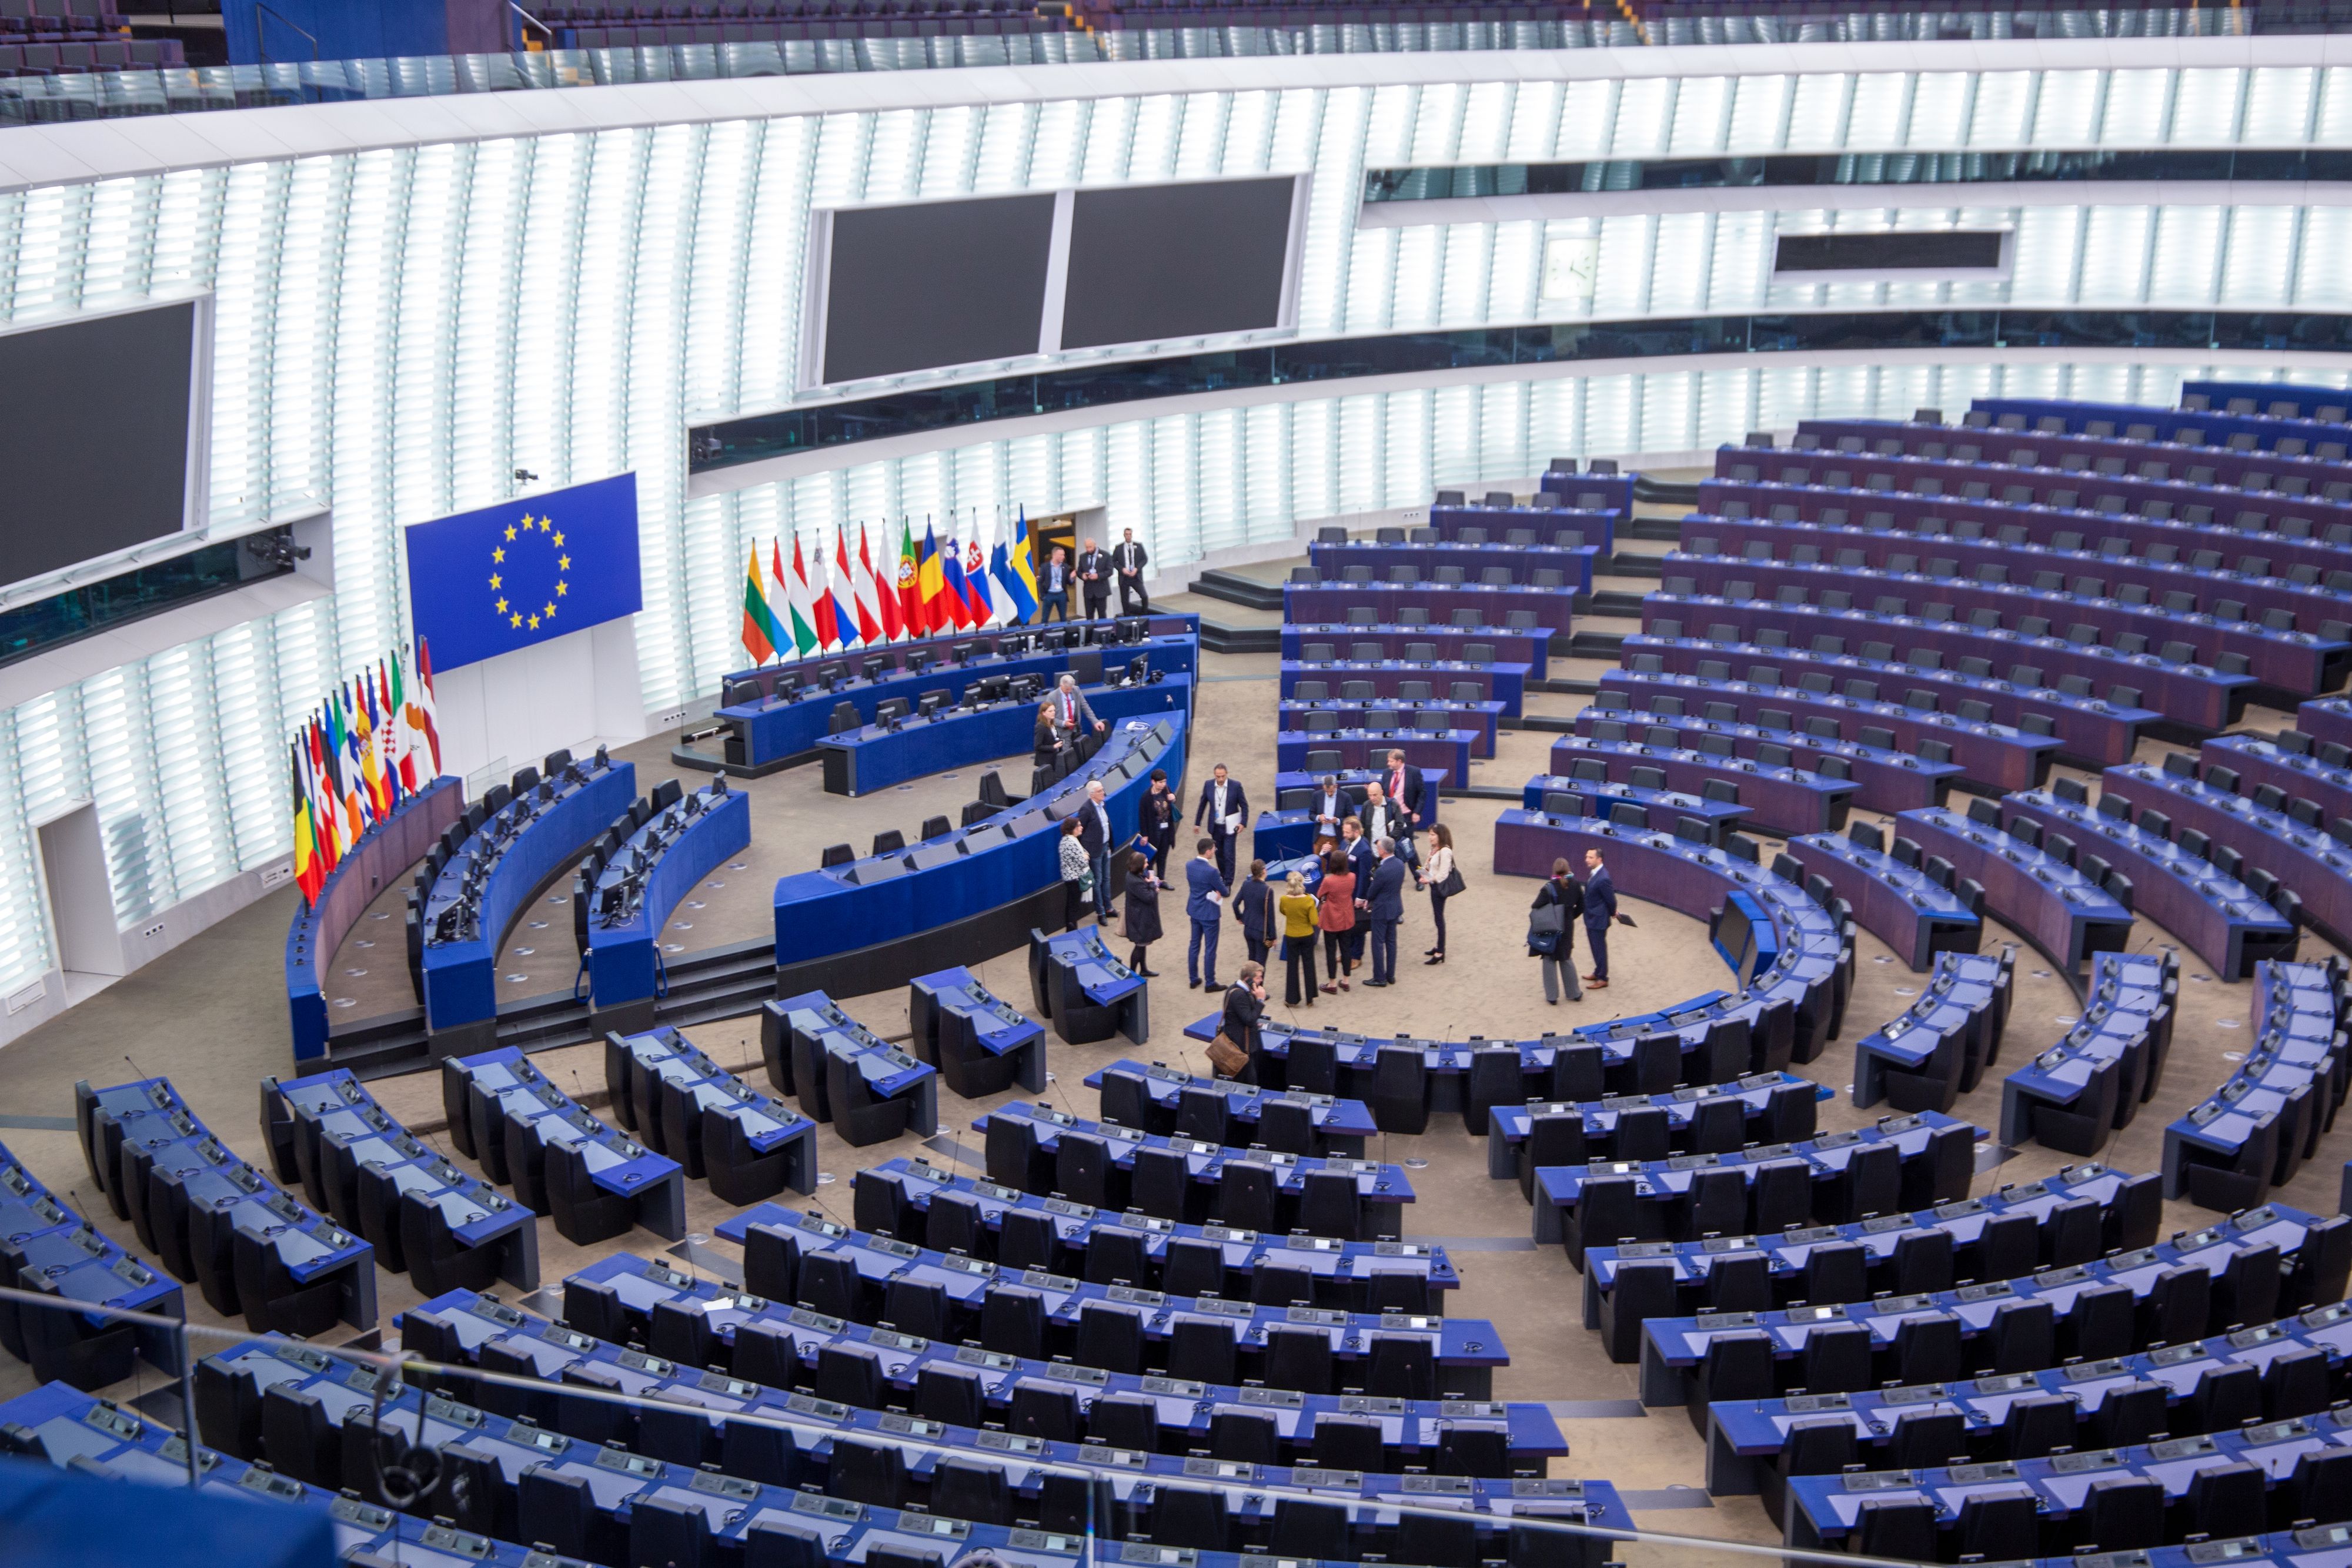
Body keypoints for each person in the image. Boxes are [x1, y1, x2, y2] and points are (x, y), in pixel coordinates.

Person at [1530, 857, 1582, 1004]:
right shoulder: (1576, 884)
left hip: (1551, 928)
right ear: (1569, 868)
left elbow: (1535, 906)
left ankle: (1552, 997)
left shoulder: (1548, 888)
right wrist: (1570, 917)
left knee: (1549, 959)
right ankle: (1574, 993)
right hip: (1567, 928)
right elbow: (1582, 906)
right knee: (1566, 957)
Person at [1184, 837, 1228, 991]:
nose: (1215, 851)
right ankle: (1210, 983)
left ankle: (1193, 978)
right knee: (1210, 949)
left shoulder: (1189, 865)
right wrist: (1217, 890)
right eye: (1214, 849)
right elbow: (1225, 891)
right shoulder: (1212, 872)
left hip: (1194, 910)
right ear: (1208, 851)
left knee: (1194, 945)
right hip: (1209, 914)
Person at [1362, 837, 1406, 987]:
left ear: (1382, 850)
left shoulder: (1382, 871)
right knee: (1391, 942)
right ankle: (1391, 975)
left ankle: (1379, 977)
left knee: (1378, 943)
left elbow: (1372, 893)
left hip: (1381, 910)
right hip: (1395, 908)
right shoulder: (1400, 864)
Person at [1194, 763, 1247, 884]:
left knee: (1229, 855)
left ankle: (1228, 882)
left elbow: (1244, 805)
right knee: (1219, 854)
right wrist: (1197, 823)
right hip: (1216, 827)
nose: (1221, 779)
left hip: (1230, 827)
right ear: (1215, 775)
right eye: (1218, 776)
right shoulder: (1208, 785)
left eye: (1223, 776)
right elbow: (1203, 804)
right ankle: (1223, 877)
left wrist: (1243, 823)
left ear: (1227, 774)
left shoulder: (1236, 786)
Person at [1218, 961, 1268, 1084]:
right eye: (1258, 978)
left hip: (1240, 1041)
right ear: (1248, 979)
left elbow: (1241, 1016)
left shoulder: (1236, 988)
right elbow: (1249, 1020)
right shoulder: (1239, 995)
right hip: (1240, 1047)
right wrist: (1260, 1001)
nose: (1261, 981)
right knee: (1248, 1083)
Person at [1317, 848, 1357, 993]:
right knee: (1346, 949)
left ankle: (1332, 983)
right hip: (1347, 917)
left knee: (1331, 951)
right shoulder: (1352, 877)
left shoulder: (1329, 881)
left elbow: (1320, 894)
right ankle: (1346, 981)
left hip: (1331, 919)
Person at [1277, 870, 1320, 1007]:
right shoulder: (1308, 900)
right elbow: (1314, 921)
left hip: (1291, 935)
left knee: (1292, 967)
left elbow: (1283, 911)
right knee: (1309, 965)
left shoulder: (1284, 899)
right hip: (1307, 935)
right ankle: (1310, 998)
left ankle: (1292, 999)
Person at [1416, 823, 1457, 964]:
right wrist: (1423, 873)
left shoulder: (1446, 851)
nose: (1430, 837)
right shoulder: (1434, 849)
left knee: (1439, 920)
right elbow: (1428, 866)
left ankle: (1440, 952)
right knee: (1437, 918)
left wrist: (1429, 880)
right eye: (1430, 834)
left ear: (1441, 836)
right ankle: (1439, 947)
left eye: (1433, 835)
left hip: (1439, 888)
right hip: (1433, 886)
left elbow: (1443, 875)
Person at [1077, 778, 1117, 921]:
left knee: (1107, 879)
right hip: (1094, 851)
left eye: (1102, 790)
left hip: (1106, 847)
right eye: (1100, 791)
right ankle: (1101, 912)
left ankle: (1109, 908)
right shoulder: (1086, 809)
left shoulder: (1102, 805)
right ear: (1092, 794)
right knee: (1098, 881)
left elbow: (1106, 826)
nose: (1103, 793)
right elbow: (1080, 831)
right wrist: (1084, 851)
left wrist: (1110, 845)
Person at [1120, 848, 1163, 977]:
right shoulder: (1135, 881)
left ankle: (1143, 969)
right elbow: (1148, 898)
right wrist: (1153, 886)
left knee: (1143, 944)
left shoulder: (1134, 875)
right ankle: (1132, 974)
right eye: (1145, 863)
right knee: (1140, 945)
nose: (1147, 865)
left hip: (1140, 916)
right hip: (1140, 919)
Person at [1381, 748, 1426, 867]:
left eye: (1391, 761)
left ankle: (1420, 876)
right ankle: (1394, 872)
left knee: (1408, 847)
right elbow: (1384, 791)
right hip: (1389, 815)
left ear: (1399, 761)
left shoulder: (1414, 772)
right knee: (1388, 845)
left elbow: (1422, 793)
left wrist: (1417, 812)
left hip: (1406, 816)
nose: (1388, 764)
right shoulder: (1387, 773)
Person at [1582, 847, 1618, 990]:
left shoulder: (1603, 878)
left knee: (1599, 949)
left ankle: (1603, 978)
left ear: (1599, 859)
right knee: (1595, 948)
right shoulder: (1595, 873)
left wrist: (1612, 912)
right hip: (1591, 917)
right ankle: (1598, 972)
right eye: (1587, 857)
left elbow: (1611, 900)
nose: (1587, 860)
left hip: (1598, 920)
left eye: (1590, 857)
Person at [1234, 859, 1274, 967]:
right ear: (1264, 871)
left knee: (1251, 961)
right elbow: (1270, 916)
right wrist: (1273, 936)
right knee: (1260, 966)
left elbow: (1235, 904)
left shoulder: (1246, 884)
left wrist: (1240, 917)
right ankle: (1258, 984)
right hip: (1261, 932)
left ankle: (1250, 983)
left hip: (1248, 929)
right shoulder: (1268, 890)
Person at [1139, 768, 1178, 875]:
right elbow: (1143, 817)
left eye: (1165, 782)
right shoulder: (1146, 797)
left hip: (1166, 830)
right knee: (1151, 857)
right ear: (1153, 782)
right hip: (1154, 831)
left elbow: (1171, 804)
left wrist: (1173, 798)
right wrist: (1145, 835)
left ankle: (1161, 880)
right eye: (1161, 782)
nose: (1163, 785)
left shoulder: (1167, 790)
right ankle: (1151, 881)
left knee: (1163, 856)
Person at [1057, 817, 1091, 933]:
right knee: (1073, 908)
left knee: (1072, 906)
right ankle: (1072, 931)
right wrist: (1085, 857)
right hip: (1074, 880)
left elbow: (1085, 853)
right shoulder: (1069, 843)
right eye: (1079, 826)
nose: (1082, 828)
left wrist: (1085, 855)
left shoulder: (1070, 841)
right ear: (1072, 829)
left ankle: (1071, 930)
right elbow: (1083, 861)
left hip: (1072, 879)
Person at [1051, 673, 1104, 744]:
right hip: (1062, 732)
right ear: (1061, 686)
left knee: (1079, 752)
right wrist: (1064, 723)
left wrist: (1095, 721)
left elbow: (1085, 706)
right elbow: (1049, 719)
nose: (1069, 691)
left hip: (1076, 729)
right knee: (1066, 754)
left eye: (1071, 689)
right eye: (1067, 689)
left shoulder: (1076, 690)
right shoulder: (1052, 697)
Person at [1112, 527, 1150, 613]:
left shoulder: (1139, 546)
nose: (1128, 536)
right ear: (1124, 535)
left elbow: (1145, 559)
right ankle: (1127, 617)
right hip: (1124, 578)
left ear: (1132, 535)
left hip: (1136, 577)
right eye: (1127, 534)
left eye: (1130, 534)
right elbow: (1113, 561)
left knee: (1144, 596)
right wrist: (1122, 569)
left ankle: (1144, 614)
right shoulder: (1119, 548)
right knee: (1125, 600)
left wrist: (1137, 568)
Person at [1307, 774, 1352, 839]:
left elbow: (1352, 818)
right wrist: (1319, 817)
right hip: (1320, 838)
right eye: (1326, 791)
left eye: (1331, 791)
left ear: (1336, 786)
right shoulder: (1316, 796)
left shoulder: (1346, 797)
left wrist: (1338, 821)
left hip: (1338, 839)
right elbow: (1311, 814)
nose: (1329, 794)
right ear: (1323, 787)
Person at [1077, 536, 1111, 620]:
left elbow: (1110, 571)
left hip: (1101, 591)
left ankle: (1103, 632)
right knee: (1089, 616)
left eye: (1090, 547)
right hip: (1088, 592)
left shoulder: (1106, 555)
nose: (1089, 549)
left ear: (1095, 545)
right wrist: (1082, 576)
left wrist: (1098, 576)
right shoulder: (1082, 557)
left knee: (1102, 615)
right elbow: (1079, 571)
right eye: (1087, 547)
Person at [1038, 545, 1071, 623]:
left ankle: (1064, 634)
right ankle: (1043, 634)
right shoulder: (1045, 567)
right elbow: (1040, 582)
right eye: (1061, 555)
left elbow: (1069, 582)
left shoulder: (1065, 567)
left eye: (1064, 555)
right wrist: (1043, 596)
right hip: (1049, 595)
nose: (1063, 557)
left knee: (1063, 618)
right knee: (1045, 618)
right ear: (1054, 555)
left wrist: (1072, 578)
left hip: (1061, 594)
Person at [1033, 700, 1064, 767]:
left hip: (1055, 758)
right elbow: (1038, 746)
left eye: (1054, 710)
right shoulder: (1040, 727)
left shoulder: (1052, 724)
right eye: (1050, 711)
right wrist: (1054, 747)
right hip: (1046, 761)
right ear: (1044, 713)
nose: (1053, 713)